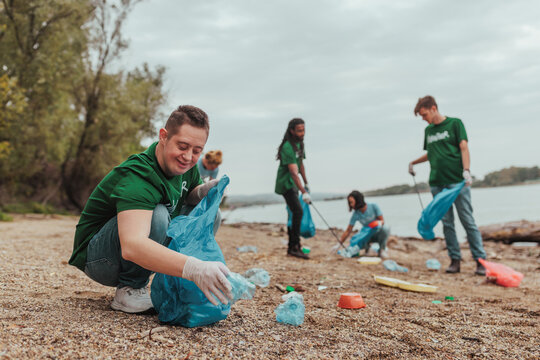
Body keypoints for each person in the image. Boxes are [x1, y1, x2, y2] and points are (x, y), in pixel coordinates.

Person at [68, 105, 233, 314]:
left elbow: (188, 195)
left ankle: (175, 283)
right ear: (163, 136)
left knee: (209, 214)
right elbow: (132, 246)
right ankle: (130, 289)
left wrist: (202, 192)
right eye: (182, 146)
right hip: (101, 259)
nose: (188, 156)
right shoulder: (140, 175)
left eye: (197, 151)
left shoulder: (186, 167)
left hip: (129, 250)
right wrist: (195, 268)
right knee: (158, 215)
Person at [408, 95, 486, 275]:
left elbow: (464, 147)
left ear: (434, 108)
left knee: (467, 220)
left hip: (457, 182)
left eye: (425, 114)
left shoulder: (455, 124)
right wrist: (413, 162)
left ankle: (480, 261)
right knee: (447, 223)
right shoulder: (428, 131)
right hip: (437, 183)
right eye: (421, 116)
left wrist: (466, 170)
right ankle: (455, 260)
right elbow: (431, 153)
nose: (424, 119)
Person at [275, 118, 311, 259]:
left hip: (294, 184)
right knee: (298, 211)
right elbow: (293, 172)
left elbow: (300, 165)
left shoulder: (299, 144)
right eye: (299, 130)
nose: (302, 133)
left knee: (293, 214)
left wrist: (306, 184)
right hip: (286, 184)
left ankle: (293, 247)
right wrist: (303, 192)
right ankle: (294, 247)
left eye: (303, 130)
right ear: (292, 130)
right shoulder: (288, 147)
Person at [339, 191, 390, 258]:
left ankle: (382, 250)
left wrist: (377, 223)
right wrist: (339, 243)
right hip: (366, 235)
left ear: (358, 200)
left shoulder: (373, 206)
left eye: (351, 202)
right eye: (349, 203)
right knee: (355, 239)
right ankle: (367, 248)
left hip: (377, 233)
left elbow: (382, 221)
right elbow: (348, 230)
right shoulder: (356, 214)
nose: (350, 205)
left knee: (385, 229)